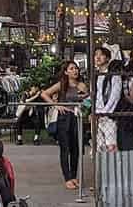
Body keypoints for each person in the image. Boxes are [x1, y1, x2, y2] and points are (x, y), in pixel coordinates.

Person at [41, 61, 88, 191]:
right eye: (72, 69)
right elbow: (44, 94)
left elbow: (87, 100)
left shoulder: (82, 85)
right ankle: (67, 178)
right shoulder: (62, 85)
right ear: (66, 72)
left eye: (76, 68)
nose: (75, 71)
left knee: (76, 149)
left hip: (77, 118)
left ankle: (74, 176)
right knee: (65, 149)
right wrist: (56, 105)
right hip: (64, 119)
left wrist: (84, 98)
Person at [93, 46, 122, 154]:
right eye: (96, 55)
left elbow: (115, 95)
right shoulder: (96, 76)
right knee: (99, 147)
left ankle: (114, 168)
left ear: (108, 58)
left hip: (108, 116)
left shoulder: (113, 74)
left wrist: (106, 112)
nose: (97, 57)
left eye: (101, 54)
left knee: (111, 146)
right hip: (97, 115)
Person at [115, 50, 133, 151]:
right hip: (123, 114)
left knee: (127, 139)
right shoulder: (121, 81)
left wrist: (123, 96)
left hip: (129, 114)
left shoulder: (131, 81)